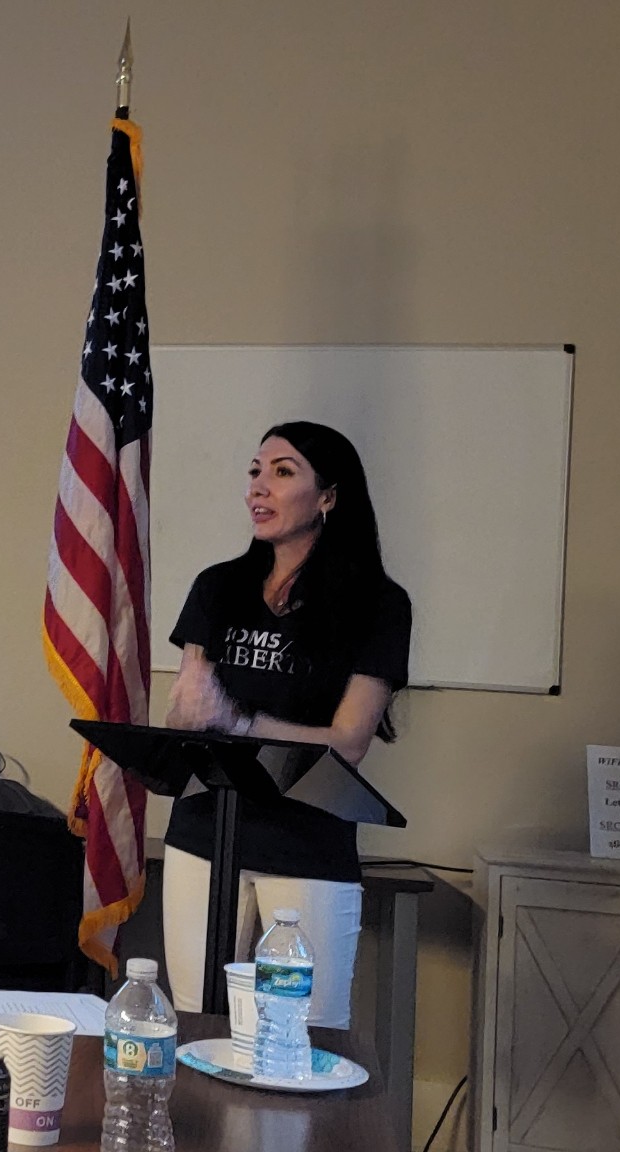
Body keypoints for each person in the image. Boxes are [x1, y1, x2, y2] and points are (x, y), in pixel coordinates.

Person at [160, 421, 411, 1027]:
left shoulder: (378, 604)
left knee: (298, 1035)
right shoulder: (218, 587)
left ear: (328, 496)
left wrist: (238, 722)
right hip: (205, 830)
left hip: (305, 842)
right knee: (197, 1024)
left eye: (282, 472)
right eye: (255, 472)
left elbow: (348, 742)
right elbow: (187, 710)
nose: (258, 487)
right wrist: (189, 715)